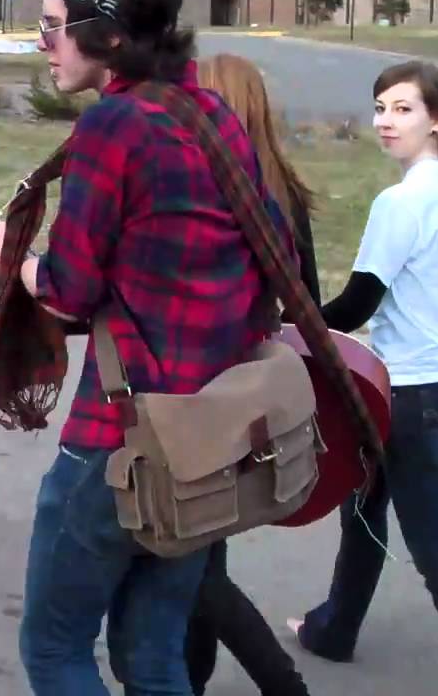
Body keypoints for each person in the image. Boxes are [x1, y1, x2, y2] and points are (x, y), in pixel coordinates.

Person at [0, 0, 296, 692]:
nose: (42, 43)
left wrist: (10, 265)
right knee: (154, 654)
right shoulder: (209, 111)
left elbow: (67, 292)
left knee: (55, 647)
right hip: (206, 439)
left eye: (54, 26)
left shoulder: (113, 126)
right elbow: (274, 258)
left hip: (117, 441)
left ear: (109, 35)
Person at [288, 60, 438, 696]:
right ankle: (335, 628)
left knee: (437, 548)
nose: (385, 122)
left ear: (437, 118)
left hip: (412, 393)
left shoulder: (402, 203)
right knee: (365, 505)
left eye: (403, 109)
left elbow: (358, 304)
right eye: (380, 108)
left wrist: (292, 329)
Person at [183, 52, 317, 696]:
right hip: (255, 391)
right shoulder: (281, 189)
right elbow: (306, 299)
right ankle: (192, 675)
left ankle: (282, 683)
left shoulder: (221, 193)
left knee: (196, 562)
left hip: (209, 394)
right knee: (206, 550)